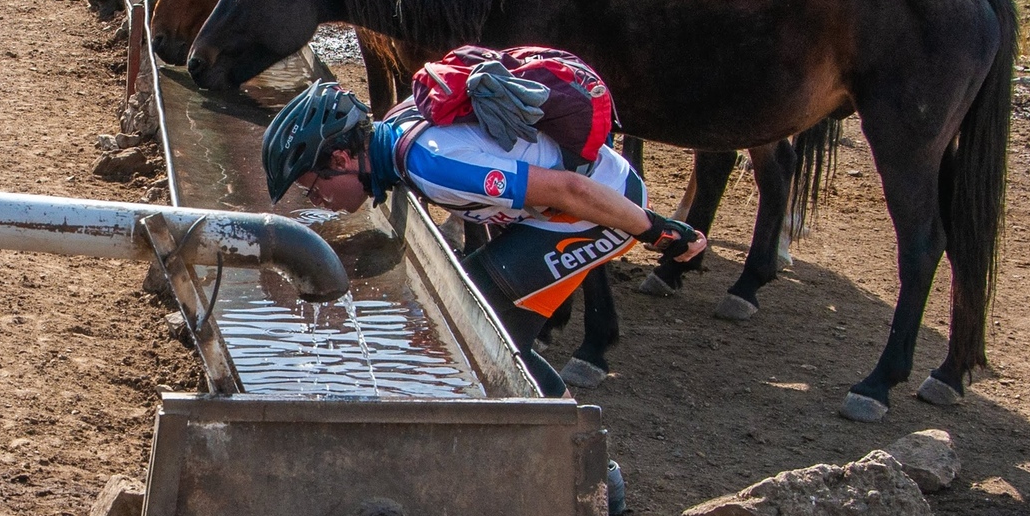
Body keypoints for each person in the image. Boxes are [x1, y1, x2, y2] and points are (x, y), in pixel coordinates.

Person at [262, 57, 705, 396]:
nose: (319, 202)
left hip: (605, 209)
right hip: (565, 208)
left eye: (314, 188)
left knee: (482, 330)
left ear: (341, 159)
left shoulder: (432, 164)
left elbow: (569, 190)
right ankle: (583, 463)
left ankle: (588, 474)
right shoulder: (395, 129)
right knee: (484, 333)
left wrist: (659, 232)